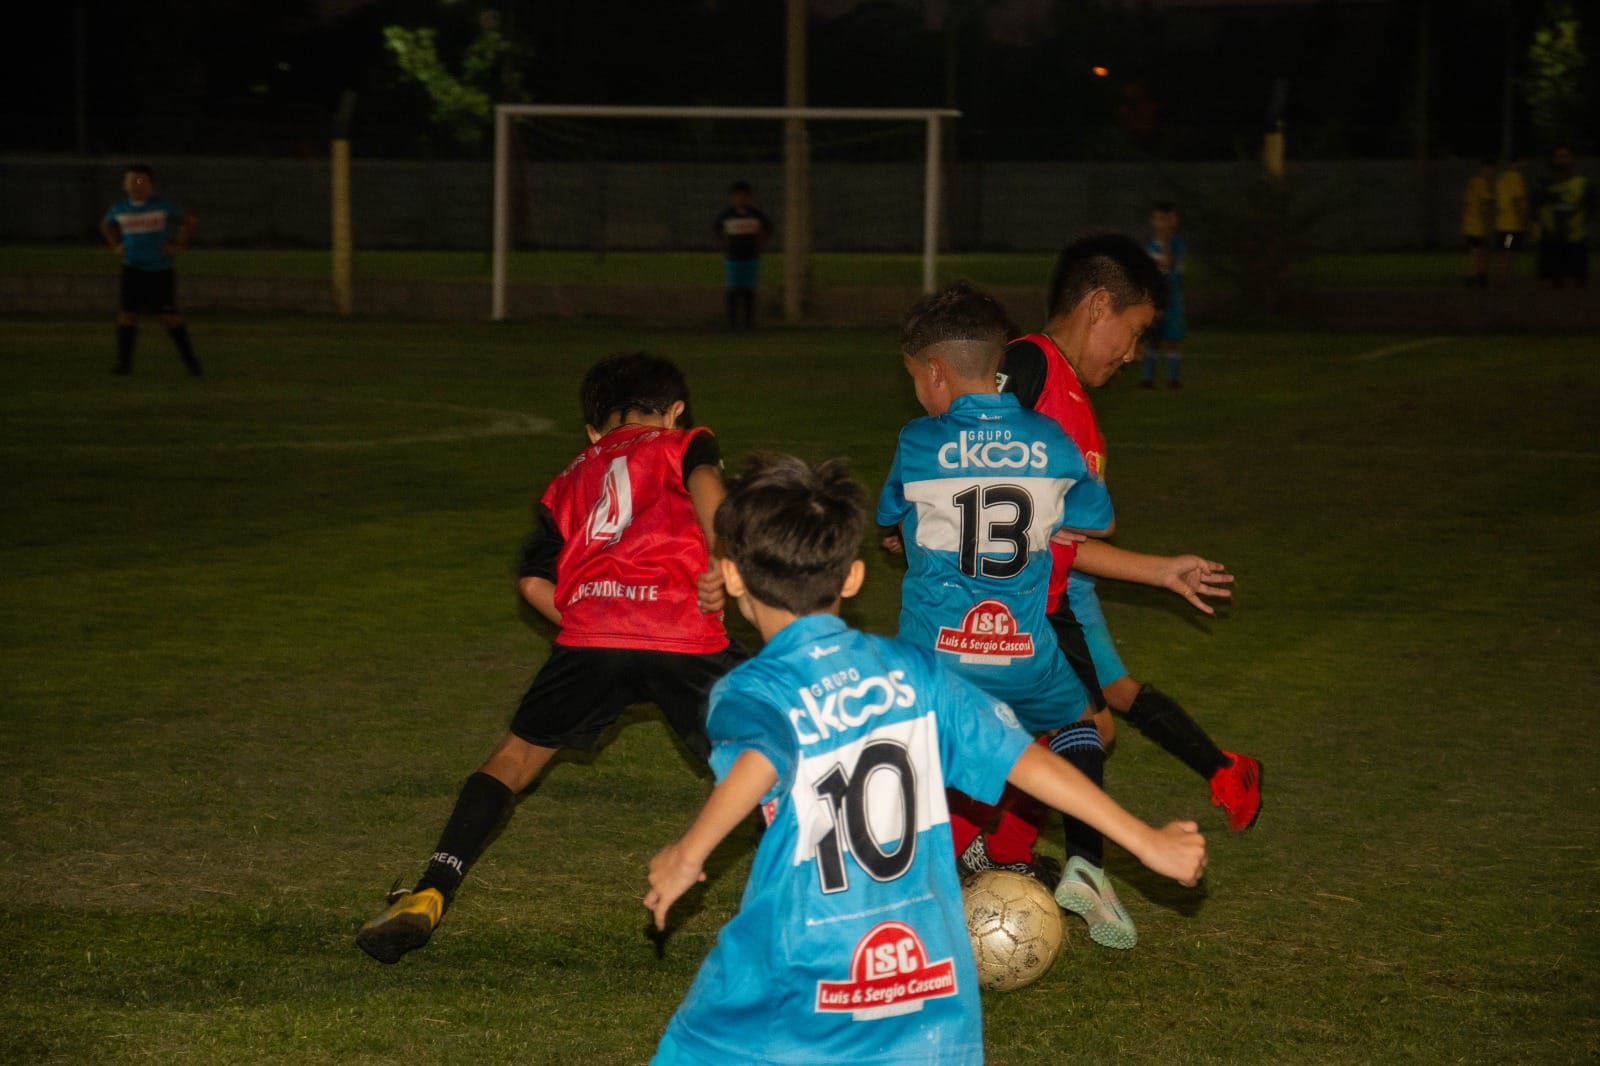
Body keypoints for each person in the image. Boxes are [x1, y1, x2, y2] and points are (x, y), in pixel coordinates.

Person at [644, 454, 1206, 1065]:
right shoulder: (915, 673)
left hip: (797, 977)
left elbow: (763, 756)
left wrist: (688, 853)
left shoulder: (751, 689)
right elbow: (1024, 760)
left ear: (730, 577)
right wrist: (1143, 840)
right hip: (923, 990)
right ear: (853, 578)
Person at [356, 352, 743, 964]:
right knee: (774, 761)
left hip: (590, 638)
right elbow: (706, 485)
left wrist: (603, 618)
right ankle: (833, 912)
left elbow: (533, 583)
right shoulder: (685, 442)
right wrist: (724, 559)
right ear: (674, 413)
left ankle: (431, 889)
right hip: (681, 633)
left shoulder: (567, 479)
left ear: (594, 430)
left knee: (511, 760)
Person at [875, 281, 1152, 950]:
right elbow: (1098, 519)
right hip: (1024, 650)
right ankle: (1085, 862)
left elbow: (891, 519)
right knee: (1077, 729)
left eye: (914, 377)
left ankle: (899, 879)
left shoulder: (919, 440)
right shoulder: (1053, 439)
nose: (917, 391)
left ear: (934, 371)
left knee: (916, 757)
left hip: (938, 653)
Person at [990, 233, 1259, 856]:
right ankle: (1003, 851)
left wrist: (1160, 571)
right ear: (1098, 306)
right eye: (1133, 333)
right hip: (1007, 593)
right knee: (1074, 728)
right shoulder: (1028, 367)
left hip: (1053, 586)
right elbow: (969, 457)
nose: (1135, 354)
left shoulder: (1075, 398)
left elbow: (1060, 539)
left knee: (1087, 727)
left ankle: (1004, 851)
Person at [100, 163, 202, 376]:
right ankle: (123, 364)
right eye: (131, 181)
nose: (136, 185)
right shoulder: (119, 209)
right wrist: (116, 245)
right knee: (128, 315)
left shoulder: (162, 206)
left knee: (169, 317)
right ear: (125, 185)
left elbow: (189, 222)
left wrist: (178, 245)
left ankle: (191, 362)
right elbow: (106, 225)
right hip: (132, 269)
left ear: (151, 185)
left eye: (141, 181)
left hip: (159, 271)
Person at [1140, 200, 1187, 389]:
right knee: (1153, 339)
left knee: (1173, 339)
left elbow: (1169, 265)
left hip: (1172, 298)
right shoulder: (1148, 245)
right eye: (1158, 219)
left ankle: (1173, 379)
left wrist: (1166, 240)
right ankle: (1148, 379)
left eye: (1165, 219)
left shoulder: (1177, 244)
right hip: (1155, 299)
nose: (1162, 223)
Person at [712, 180, 772, 329]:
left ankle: (748, 321)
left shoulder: (756, 215)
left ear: (749, 198)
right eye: (737, 196)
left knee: (748, 291)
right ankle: (732, 321)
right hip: (733, 258)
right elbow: (716, 228)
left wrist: (761, 244)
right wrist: (724, 243)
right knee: (732, 290)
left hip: (750, 257)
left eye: (744, 196)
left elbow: (768, 228)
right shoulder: (728, 215)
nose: (740, 199)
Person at [1534, 146, 1592, 289]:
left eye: (1565, 156)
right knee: (1551, 282)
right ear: (1553, 159)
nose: (1562, 160)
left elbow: (1590, 205)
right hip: (1551, 238)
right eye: (1558, 156)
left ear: (1571, 159)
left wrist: (1581, 220)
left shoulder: (1582, 182)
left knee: (1577, 280)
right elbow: (1537, 206)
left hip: (1575, 237)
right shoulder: (1543, 183)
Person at [1492, 156, 1529, 287]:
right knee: (1508, 252)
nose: (1525, 166)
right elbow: (1517, 201)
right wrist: (1523, 221)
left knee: (1504, 251)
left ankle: (1501, 278)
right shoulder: (1516, 178)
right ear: (1517, 163)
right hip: (1511, 225)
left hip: (1501, 224)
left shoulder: (1501, 178)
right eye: (1523, 162)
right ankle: (1503, 279)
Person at [1460, 159, 1496, 288]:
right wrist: (1490, 223)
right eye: (1491, 170)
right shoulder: (1482, 183)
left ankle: (1474, 277)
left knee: (1475, 252)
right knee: (1481, 253)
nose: (1492, 173)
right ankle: (1478, 278)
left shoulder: (1472, 183)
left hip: (1469, 225)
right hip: (1478, 226)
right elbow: (1485, 206)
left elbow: (1466, 204)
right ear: (1485, 169)